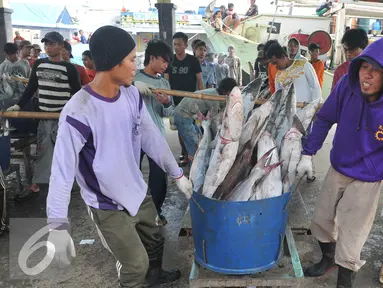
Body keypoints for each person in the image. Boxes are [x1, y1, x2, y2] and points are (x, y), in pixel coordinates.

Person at [45, 25, 192, 288]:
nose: (136, 66)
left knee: (156, 236)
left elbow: (151, 138)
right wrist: (57, 223)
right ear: (114, 63)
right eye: (132, 60)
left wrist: (177, 173)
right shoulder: (79, 111)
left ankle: (155, 278)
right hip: (107, 202)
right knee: (135, 264)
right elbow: (62, 171)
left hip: (135, 188)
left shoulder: (131, 95)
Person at [296, 37, 383, 288]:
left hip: (368, 176)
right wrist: (307, 154)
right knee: (321, 220)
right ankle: (328, 258)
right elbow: (324, 119)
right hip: (340, 165)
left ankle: (345, 280)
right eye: (365, 66)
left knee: (352, 232)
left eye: (377, 70)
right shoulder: (347, 84)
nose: (367, 75)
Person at [6, 32, 81, 200]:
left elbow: (77, 93)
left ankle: (65, 182)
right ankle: (37, 182)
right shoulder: (39, 64)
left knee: (64, 152)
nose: (48, 47)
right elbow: (31, 88)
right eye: (46, 44)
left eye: (52, 44)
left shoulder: (69, 68)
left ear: (61, 46)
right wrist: (18, 105)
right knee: (43, 149)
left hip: (62, 118)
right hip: (44, 116)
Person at [133, 39, 174, 223]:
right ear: (152, 58)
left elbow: (168, 112)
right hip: (134, 135)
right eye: (163, 60)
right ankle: (132, 212)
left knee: (159, 176)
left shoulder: (164, 84)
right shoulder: (134, 79)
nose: (165, 65)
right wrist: (134, 90)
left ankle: (155, 212)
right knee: (132, 173)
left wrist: (166, 103)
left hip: (156, 134)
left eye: (168, 62)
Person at [174, 77, 237, 163]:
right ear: (227, 91)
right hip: (183, 115)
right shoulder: (214, 98)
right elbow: (214, 120)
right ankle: (193, 172)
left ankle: (196, 164)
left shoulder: (215, 93)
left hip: (189, 114)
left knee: (201, 141)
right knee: (194, 144)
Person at [164, 32, 204, 166]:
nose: (176, 47)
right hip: (175, 102)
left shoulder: (193, 61)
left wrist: (201, 99)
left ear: (186, 45)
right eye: (175, 44)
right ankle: (185, 153)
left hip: (191, 103)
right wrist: (168, 99)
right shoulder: (170, 61)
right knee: (180, 129)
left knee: (194, 128)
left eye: (179, 44)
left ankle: (196, 153)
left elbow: (200, 81)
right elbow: (166, 81)